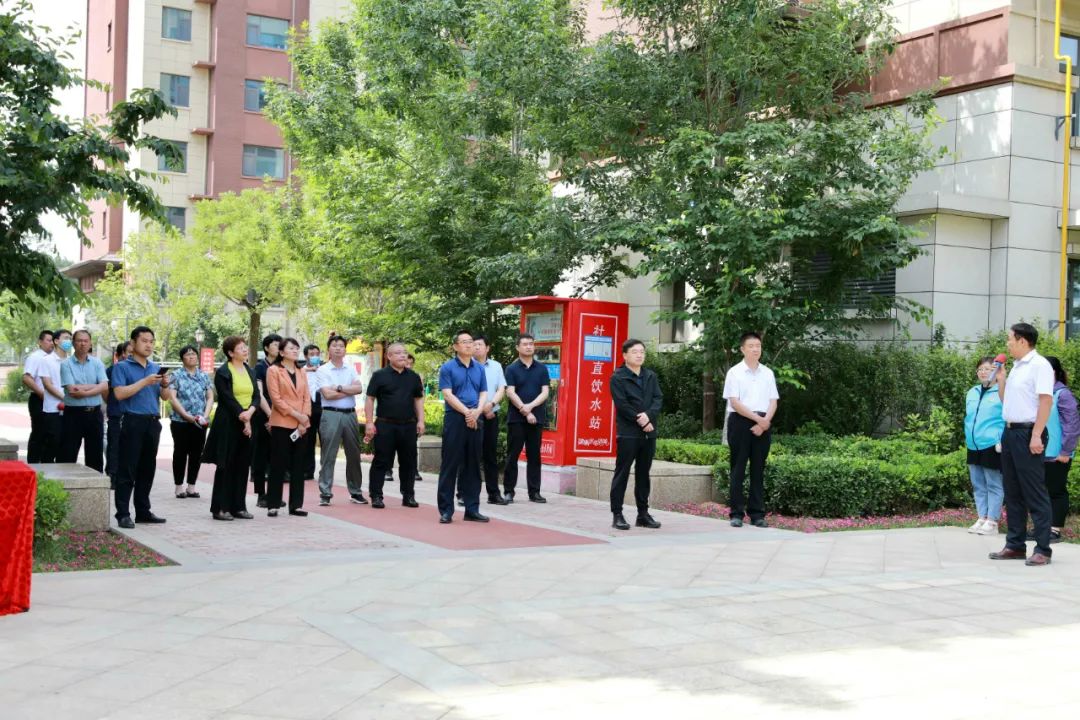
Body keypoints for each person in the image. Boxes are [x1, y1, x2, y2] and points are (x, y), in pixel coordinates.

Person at [989, 322, 1055, 566]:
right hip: (1010, 432)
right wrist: (1002, 380)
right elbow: (1008, 402)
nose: (1007, 344)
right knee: (1013, 491)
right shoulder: (1017, 366)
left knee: (1034, 492)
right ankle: (1015, 545)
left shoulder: (1039, 365)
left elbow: (1046, 401)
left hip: (1028, 434)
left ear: (1022, 341)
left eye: (1010, 339)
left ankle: (1043, 549)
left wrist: (1036, 435)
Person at [111, 326, 171, 529]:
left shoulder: (155, 367)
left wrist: (164, 385)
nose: (149, 345)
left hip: (152, 422)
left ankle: (143, 511)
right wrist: (144, 382)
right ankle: (123, 513)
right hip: (132, 421)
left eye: (151, 341)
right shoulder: (122, 367)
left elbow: (165, 397)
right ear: (133, 343)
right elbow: (119, 394)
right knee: (127, 469)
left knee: (147, 469)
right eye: (144, 341)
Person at [722, 331, 779, 529]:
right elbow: (735, 402)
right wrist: (758, 420)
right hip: (740, 422)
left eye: (758, 346)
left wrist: (764, 422)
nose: (756, 349)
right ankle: (736, 513)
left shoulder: (768, 373)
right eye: (751, 346)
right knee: (738, 468)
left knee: (758, 469)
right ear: (742, 349)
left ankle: (757, 514)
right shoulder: (734, 372)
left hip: (763, 423)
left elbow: (773, 401)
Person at [608, 339, 663, 530]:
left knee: (643, 474)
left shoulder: (650, 376)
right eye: (635, 352)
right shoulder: (618, 377)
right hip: (628, 433)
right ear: (625, 355)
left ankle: (643, 514)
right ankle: (617, 514)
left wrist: (648, 416)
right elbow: (622, 404)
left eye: (642, 352)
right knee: (622, 473)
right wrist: (640, 420)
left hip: (648, 433)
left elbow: (658, 398)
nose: (639, 355)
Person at [202, 336, 257, 521]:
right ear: (231, 353)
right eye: (240, 348)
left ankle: (238, 507)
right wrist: (243, 416)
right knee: (225, 465)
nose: (245, 350)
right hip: (228, 423)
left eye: (245, 347)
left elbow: (257, 396)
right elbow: (227, 398)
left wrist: (250, 412)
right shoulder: (223, 372)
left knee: (242, 465)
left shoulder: (249, 370)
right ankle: (220, 508)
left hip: (247, 421)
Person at [436, 330, 489, 524]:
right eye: (464, 342)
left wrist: (477, 411)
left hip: (475, 417)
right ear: (455, 346)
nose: (469, 345)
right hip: (455, 419)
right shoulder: (447, 368)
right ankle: (446, 510)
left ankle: (472, 509)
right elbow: (448, 394)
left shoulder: (479, 368)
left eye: (471, 341)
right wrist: (467, 413)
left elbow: (483, 393)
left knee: (473, 465)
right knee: (450, 464)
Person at [364, 342, 425, 508]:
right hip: (385, 425)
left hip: (408, 425)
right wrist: (369, 422)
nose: (402, 355)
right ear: (389, 356)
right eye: (398, 353)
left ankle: (408, 495)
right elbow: (370, 398)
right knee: (381, 461)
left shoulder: (413, 377)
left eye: (404, 352)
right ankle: (376, 495)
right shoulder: (379, 375)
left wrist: (421, 420)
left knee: (409, 462)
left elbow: (418, 399)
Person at [315, 335, 367, 505]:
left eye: (341, 346)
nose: (338, 348)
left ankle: (355, 491)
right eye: (334, 345)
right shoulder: (323, 370)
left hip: (350, 414)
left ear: (345, 350)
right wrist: (348, 390)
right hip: (331, 414)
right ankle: (325, 493)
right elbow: (327, 395)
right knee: (328, 455)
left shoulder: (350, 369)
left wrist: (338, 387)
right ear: (328, 350)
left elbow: (359, 389)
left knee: (354, 454)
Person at [266, 338, 312, 517]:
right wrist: (297, 415)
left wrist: (303, 420)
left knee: (298, 465)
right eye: (291, 348)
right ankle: (273, 504)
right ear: (281, 352)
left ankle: (296, 505)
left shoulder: (302, 371)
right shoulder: (274, 370)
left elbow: (306, 397)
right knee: (278, 464)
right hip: (282, 423)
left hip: (301, 425)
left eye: (297, 348)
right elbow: (276, 399)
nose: (295, 351)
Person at [503, 333, 550, 504]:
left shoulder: (541, 368)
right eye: (525, 344)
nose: (529, 347)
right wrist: (525, 410)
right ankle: (509, 491)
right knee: (512, 455)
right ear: (517, 347)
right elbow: (510, 392)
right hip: (516, 419)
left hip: (536, 418)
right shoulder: (511, 369)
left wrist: (530, 407)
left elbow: (545, 392)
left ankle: (534, 492)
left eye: (531, 344)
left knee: (534, 455)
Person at [963, 356, 1006, 536]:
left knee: (993, 484)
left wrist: (1002, 440)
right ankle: (982, 517)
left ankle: (993, 521)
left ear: (996, 372)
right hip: (973, 444)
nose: (983, 372)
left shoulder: (1002, 391)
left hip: (992, 445)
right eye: (980, 369)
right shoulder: (972, 392)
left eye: (987, 369)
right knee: (978, 484)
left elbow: (1009, 417)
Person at [166, 345, 213, 499]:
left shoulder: (203, 375)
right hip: (180, 421)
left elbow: (210, 397)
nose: (192, 356)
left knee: (196, 454)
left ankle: (191, 487)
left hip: (200, 421)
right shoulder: (176, 375)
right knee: (180, 452)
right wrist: (185, 415)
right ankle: (179, 486)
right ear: (182, 359)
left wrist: (205, 415)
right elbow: (172, 397)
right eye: (188, 355)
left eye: (193, 354)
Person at [58, 329, 108, 471]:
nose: (82, 344)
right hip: (73, 414)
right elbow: (72, 390)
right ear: (73, 343)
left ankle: (94, 484)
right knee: (67, 453)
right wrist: (95, 386)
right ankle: (65, 483)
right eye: (79, 341)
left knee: (95, 455)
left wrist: (84, 390)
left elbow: (105, 385)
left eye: (86, 341)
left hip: (95, 414)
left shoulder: (97, 363)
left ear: (90, 343)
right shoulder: (66, 364)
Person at [1043, 356, 1078, 543]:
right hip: (1040, 451)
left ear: (1054, 373)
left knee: (1056, 491)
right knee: (1041, 492)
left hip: (1057, 453)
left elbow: (1072, 426)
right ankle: (1043, 527)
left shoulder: (1063, 394)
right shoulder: (1040, 393)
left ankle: (1054, 530)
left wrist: (1065, 451)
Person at [251, 333, 281, 508]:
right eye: (276, 344)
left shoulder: (281, 367)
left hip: (281, 415)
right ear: (267, 348)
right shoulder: (260, 367)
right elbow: (259, 394)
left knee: (277, 456)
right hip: (264, 415)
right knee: (261, 456)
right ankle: (261, 495)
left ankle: (274, 494)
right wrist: (270, 415)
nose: (279, 347)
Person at [32, 328, 71, 463]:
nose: (68, 341)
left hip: (70, 409)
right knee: (52, 442)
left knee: (66, 445)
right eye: (65, 338)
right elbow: (47, 385)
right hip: (52, 409)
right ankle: (46, 468)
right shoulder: (46, 360)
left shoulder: (71, 361)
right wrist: (64, 398)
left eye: (70, 339)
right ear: (56, 341)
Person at [22, 330, 54, 463]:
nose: (51, 343)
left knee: (51, 434)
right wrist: (42, 394)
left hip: (53, 401)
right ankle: (33, 465)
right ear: (40, 342)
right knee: (39, 433)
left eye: (53, 340)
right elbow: (27, 378)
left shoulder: (54, 358)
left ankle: (47, 464)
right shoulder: (35, 357)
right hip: (39, 399)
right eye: (48, 340)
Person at [104, 341, 132, 488]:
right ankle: (113, 476)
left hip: (133, 414)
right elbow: (106, 392)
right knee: (114, 446)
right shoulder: (112, 370)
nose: (132, 356)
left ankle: (127, 476)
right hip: (117, 414)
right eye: (129, 353)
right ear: (120, 355)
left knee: (130, 447)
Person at [302, 343, 323, 482]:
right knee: (308, 441)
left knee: (325, 440)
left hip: (323, 407)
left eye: (317, 354)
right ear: (306, 356)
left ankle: (325, 472)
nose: (315, 357)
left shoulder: (325, 370)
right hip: (307, 408)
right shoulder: (301, 371)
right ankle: (307, 471)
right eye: (311, 354)